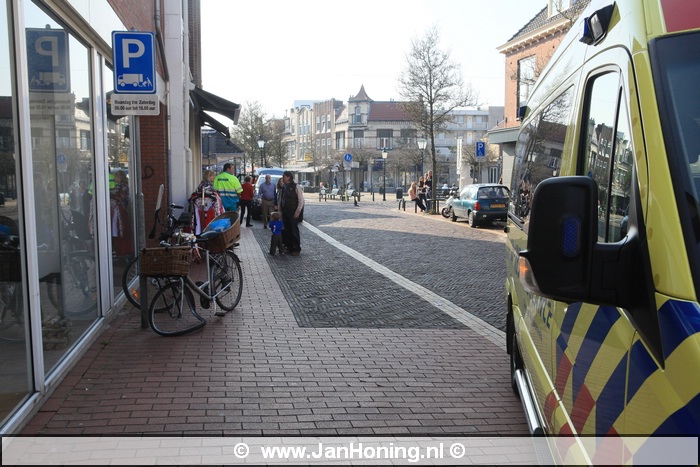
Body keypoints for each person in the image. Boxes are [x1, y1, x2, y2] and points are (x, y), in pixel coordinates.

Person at [190, 169, 224, 234]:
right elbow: (209, 195)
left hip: (201, 208)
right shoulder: (207, 185)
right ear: (209, 176)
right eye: (213, 176)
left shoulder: (202, 184)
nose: (214, 177)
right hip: (207, 209)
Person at [280, 170, 304, 256]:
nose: (283, 178)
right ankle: (289, 247)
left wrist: (297, 212)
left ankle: (296, 248)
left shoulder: (296, 186)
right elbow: (282, 199)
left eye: (284, 176)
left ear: (288, 177)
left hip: (293, 212)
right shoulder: (284, 186)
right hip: (285, 212)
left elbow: (301, 201)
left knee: (294, 230)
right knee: (287, 231)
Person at [110, 170, 133, 258]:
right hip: (118, 209)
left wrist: (111, 195)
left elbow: (120, 196)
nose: (115, 179)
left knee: (120, 229)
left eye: (116, 177)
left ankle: (122, 250)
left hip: (120, 210)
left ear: (120, 177)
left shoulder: (123, 186)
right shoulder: (120, 186)